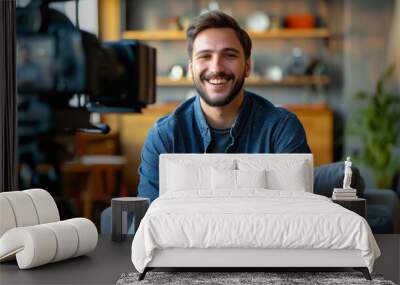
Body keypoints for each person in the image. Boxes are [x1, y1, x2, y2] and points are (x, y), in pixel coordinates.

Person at [138, 11, 310, 202]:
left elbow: (297, 215)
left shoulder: (281, 128)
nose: (216, 68)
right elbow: (148, 220)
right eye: (205, 56)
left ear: (247, 66)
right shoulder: (164, 137)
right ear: (190, 69)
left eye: (229, 55)